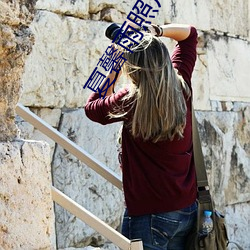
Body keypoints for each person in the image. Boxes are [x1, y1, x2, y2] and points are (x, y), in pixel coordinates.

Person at [85, 22, 198, 250]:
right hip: (186, 209)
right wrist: (155, 32)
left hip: (149, 215)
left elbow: (92, 108)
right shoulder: (182, 86)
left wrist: (115, 61)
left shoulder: (130, 100)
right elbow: (189, 34)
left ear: (133, 68)